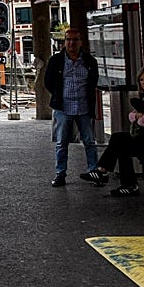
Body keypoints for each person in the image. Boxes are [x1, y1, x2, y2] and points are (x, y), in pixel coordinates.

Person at [79, 66, 144, 196]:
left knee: (119, 141)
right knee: (119, 141)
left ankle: (106, 173)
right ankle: (122, 182)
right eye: (141, 80)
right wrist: (137, 116)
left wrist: (137, 117)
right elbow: (132, 116)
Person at [43, 27, 99, 187]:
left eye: (75, 40)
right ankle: (60, 174)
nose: (71, 43)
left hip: (83, 106)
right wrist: (57, 95)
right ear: (64, 42)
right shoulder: (56, 61)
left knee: (90, 141)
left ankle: (93, 172)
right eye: (68, 39)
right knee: (61, 143)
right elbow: (48, 81)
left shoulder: (89, 61)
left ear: (81, 42)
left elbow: (93, 81)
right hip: (63, 106)